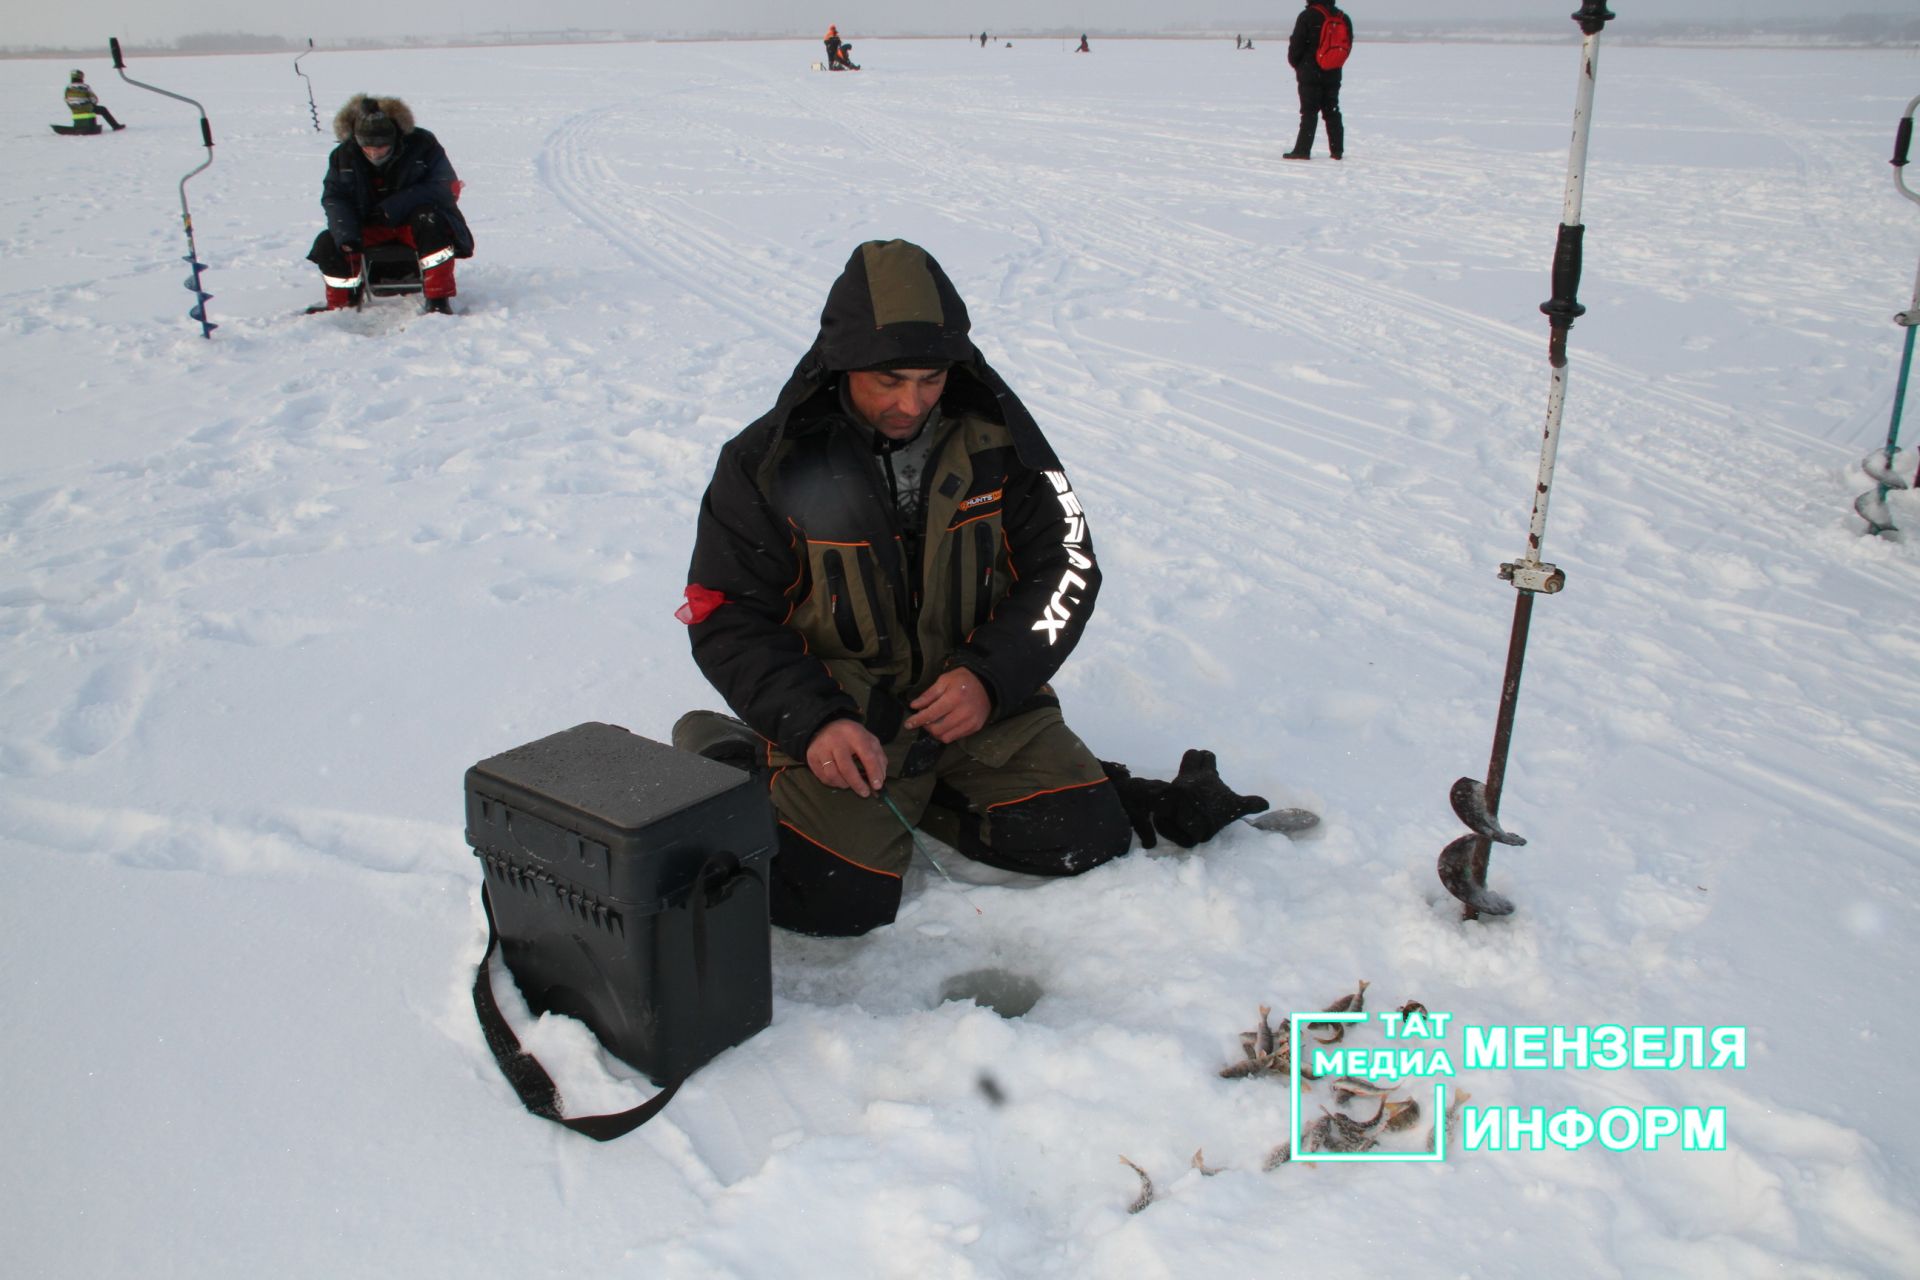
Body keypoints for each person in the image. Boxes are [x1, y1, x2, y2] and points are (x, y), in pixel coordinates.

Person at [677, 240, 1146, 937]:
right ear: (842, 364)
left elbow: (1068, 564)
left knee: (1084, 837)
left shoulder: (1003, 442)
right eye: (889, 380)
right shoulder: (765, 463)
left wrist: (992, 676)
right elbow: (726, 614)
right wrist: (813, 722)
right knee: (826, 901)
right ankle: (735, 751)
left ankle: (927, 789)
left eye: (930, 379)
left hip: (977, 704)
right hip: (848, 710)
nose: (911, 402)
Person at [305, 95, 473, 314]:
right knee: (329, 242)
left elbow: (444, 187)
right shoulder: (342, 156)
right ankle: (342, 306)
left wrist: (391, 209)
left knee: (431, 221)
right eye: (368, 147)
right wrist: (346, 235)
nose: (375, 152)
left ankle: (438, 300)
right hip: (368, 226)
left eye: (382, 147)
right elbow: (335, 198)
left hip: (413, 224)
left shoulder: (423, 144)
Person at [1285, 1, 1347, 160]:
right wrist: (1333, 62)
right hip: (1333, 71)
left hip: (1310, 72)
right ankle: (1337, 150)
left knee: (1309, 112)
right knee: (1332, 109)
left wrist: (1299, 65)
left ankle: (1303, 150)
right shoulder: (1342, 17)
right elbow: (1346, 46)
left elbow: (1295, 47)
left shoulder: (1307, 16)